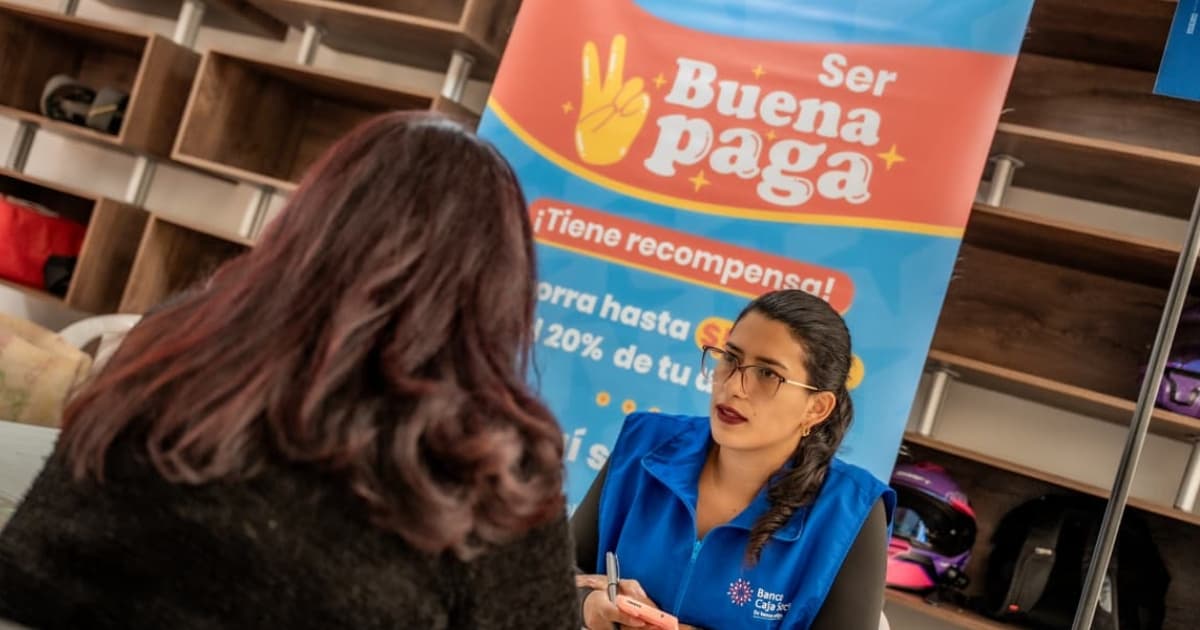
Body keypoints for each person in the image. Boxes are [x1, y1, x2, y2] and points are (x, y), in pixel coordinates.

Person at [0, 112, 578, 629]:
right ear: (502, 284)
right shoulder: (497, 460)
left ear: (312, 220)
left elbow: (31, 563)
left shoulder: (176, 342)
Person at [572, 290, 895, 629]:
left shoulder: (851, 512)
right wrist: (588, 606)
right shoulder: (643, 444)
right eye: (730, 358)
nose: (734, 386)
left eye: (767, 374)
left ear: (816, 408)